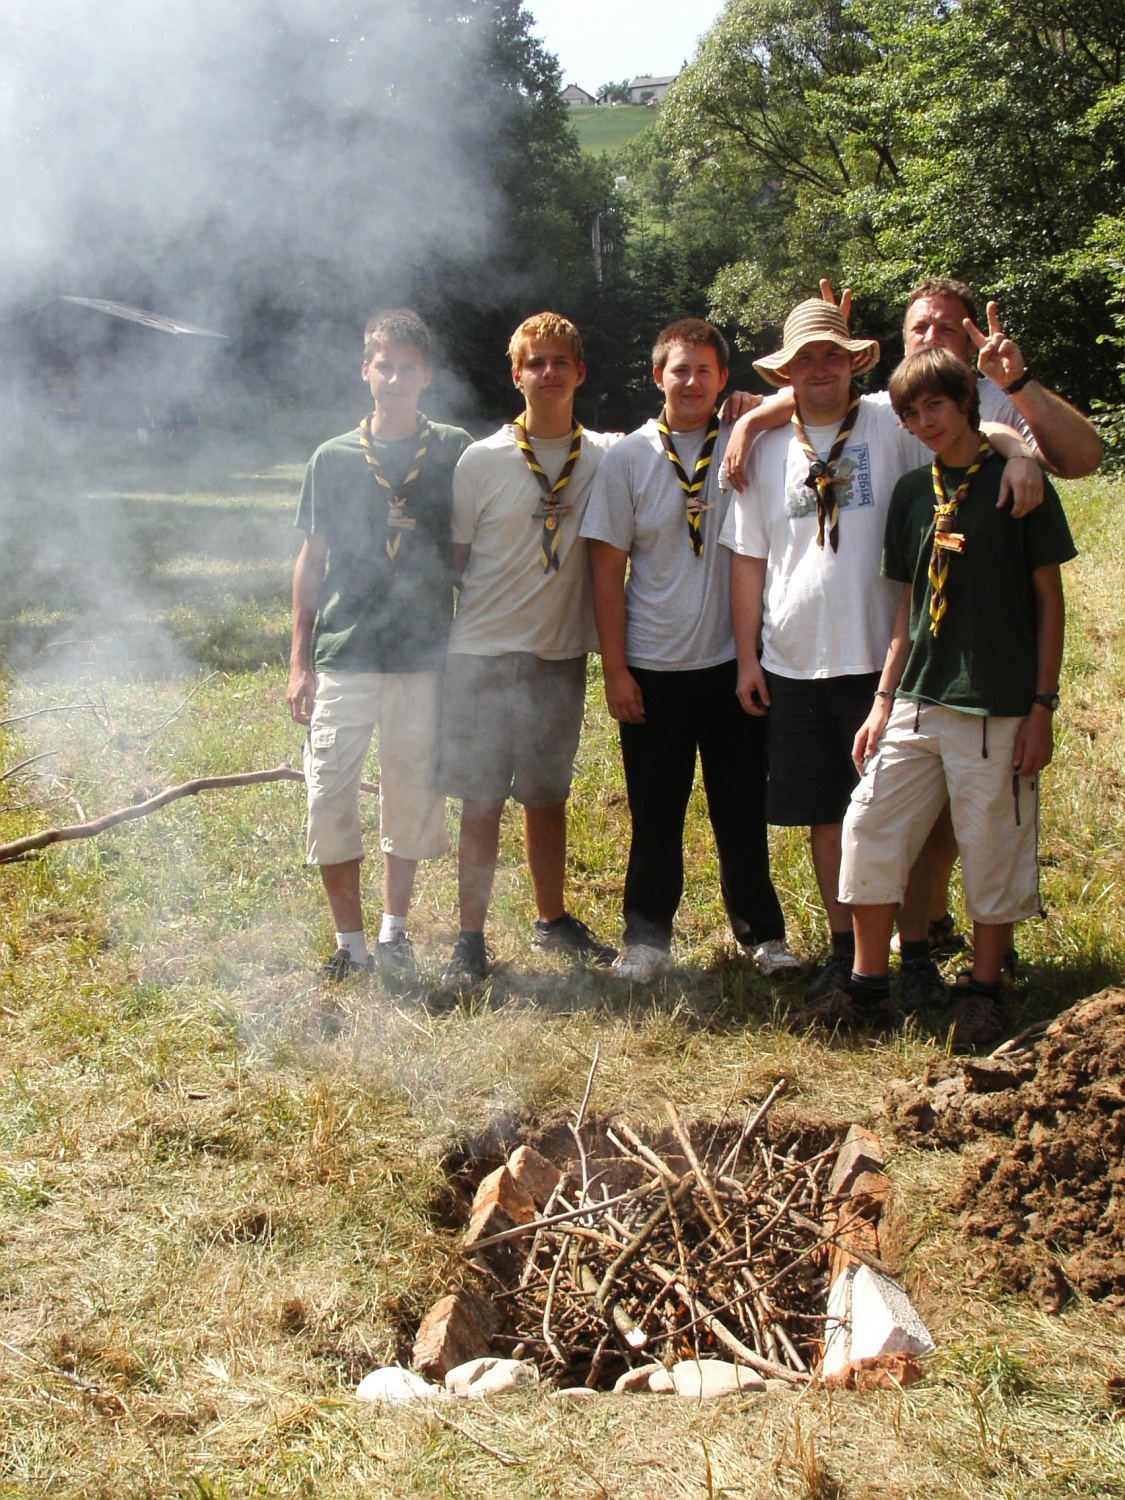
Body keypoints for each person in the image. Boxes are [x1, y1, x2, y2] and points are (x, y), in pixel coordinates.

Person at [724, 277, 1101, 964]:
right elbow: (751, 551)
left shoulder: (914, 416)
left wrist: (1017, 449)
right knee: (847, 815)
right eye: (803, 359)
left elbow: (977, 428)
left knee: (937, 814)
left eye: (832, 355)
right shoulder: (819, 431)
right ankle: (871, 949)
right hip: (825, 657)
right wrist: (752, 418)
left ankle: (934, 936)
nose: (819, 369)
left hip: (921, 656)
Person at [838, 347, 1076, 1046]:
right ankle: (865, 987)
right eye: (909, 414)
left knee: (990, 844)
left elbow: (1048, 603)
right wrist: (882, 699)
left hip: (995, 702)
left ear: (966, 401)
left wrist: (1042, 706)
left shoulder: (1017, 481)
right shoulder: (913, 494)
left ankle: (981, 989)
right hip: (916, 695)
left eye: (933, 406)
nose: (922, 423)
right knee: (868, 826)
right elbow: (908, 605)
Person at [581, 318, 799, 983]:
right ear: (656, 377)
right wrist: (615, 670)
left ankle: (762, 936)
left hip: (734, 666)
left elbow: (823, 399)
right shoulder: (627, 459)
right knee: (654, 814)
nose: (692, 381)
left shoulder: (747, 441)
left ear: (722, 380)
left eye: (706, 370)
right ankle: (646, 941)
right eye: (679, 369)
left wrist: (758, 410)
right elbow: (604, 571)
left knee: (741, 809)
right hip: (651, 668)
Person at [288, 309, 472, 981]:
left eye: (407, 366)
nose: (394, 378)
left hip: (422, 653)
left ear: (426, 375)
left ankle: (395, 933)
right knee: (329, 794)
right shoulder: (332, 458)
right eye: (382, 365)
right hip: (346, 652)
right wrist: (298, 664)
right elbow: (310, 563)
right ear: (364, 370)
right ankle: (351, 945)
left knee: (411, 793)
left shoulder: (451, 447)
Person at [435, 312, 617, 988]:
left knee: (547, 797)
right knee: (480, 802)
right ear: (516, 375)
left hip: (558, 654)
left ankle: (550, 919)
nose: (547, 373)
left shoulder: (604, 455)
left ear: (579, 373)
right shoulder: (479, 461)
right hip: (480, 654)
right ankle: (468, 939)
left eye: (558, 362)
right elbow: (452, 562)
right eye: (533, 363)